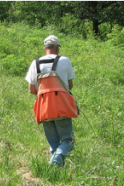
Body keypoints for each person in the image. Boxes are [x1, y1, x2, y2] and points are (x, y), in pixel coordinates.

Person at [25, 35, 76, 166]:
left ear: (44, 49)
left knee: (53, 144)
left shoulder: (35, 63)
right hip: (61, 107)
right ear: (58, 48)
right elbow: (70, 86)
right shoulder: (65, 60)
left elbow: (32, 90)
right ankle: (55, 162)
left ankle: (54, 173)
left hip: (43, 108)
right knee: (67, 141)